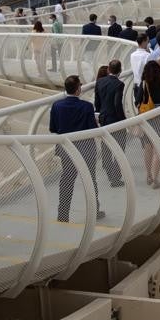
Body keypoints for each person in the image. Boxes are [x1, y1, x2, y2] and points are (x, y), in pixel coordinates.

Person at [48, 75, 105, 221]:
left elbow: (53, 128)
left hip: (66, 148)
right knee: (90, 180)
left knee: (67, 179)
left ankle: (63, 214)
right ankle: (94, 211)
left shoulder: (56, 106)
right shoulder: (86, 107)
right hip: (86, 148)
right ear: (78, 88)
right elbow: (91, 129)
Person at [137, 60, 160, 188]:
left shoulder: (144, 84)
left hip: (146, 119)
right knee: (158, 149)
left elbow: (138, 101)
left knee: (148, 148)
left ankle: (148, 175)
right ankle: (156, 179)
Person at [93, 59, 128, 188]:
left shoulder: (100, 82)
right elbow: (117, 103)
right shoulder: (119, 84)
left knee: (106, 147)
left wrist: (99, 114)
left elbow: (97, 101)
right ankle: (116, 177)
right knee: (119, 148)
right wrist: (123, 120)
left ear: (109, 69)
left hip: (104, 118)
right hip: (115, 119)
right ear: (120, 70)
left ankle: (109, 173)